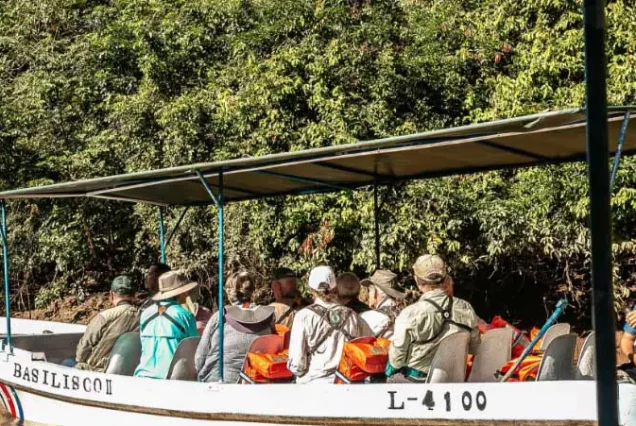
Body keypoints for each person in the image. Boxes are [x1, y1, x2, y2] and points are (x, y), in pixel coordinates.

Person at [385, 255, 479, 382]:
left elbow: (396, 361)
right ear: (445, 279)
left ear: (417, 281)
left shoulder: (410, 314)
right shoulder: (465, 308)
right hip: (456, 383)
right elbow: (474, 348)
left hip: (416, 383)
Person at [196, 271, 275, 383]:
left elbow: (200, 356)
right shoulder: (267, 318)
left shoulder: (220, 317)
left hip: (220, 382)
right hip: (255, 383)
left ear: (229, 293)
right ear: (252, 291)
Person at [287, 265, 362, 383]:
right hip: (345, 383)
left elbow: (297, 365)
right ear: (335, 287)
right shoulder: (352, 315)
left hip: (313, 385)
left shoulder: (303, 316)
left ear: (311, 289)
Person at [134, 271, 199, 379]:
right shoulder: (184, 315)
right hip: (170, 377)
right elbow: (195, 347)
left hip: (142, 375)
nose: (187, 293)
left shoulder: (146, 314)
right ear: (180, 292)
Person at [74, 275, 139, 371]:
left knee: (67, 362)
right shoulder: (144, 317)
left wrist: (79, 358)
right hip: (131, 371)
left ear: (111, 295)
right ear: (134, 295)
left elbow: (82, 353)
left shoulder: (104, 317)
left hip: (98, 370)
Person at [359, 270, 406, 339]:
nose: (368, 294)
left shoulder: (368, 317)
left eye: (369, 290)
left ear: (375, 292)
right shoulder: (406, 312)